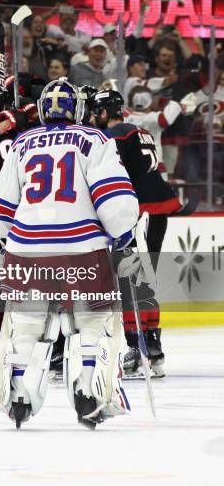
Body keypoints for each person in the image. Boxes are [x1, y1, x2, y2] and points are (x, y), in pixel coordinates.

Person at [0, 79, 138, 429]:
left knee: (26, 325)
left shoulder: (22, 143)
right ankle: (89, 390)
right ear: (79, 110)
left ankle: (19, 393)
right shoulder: (96, 139)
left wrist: (10, 238)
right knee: (92, 323)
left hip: (26, 249)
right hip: (82, 248)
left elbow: (0, 211)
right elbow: (112, 199)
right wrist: (124, 232)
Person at [89, 89, 183, 378]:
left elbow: (112, 174)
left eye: (96, 113)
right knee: (144, 278)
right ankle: (152, 346)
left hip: (139, 210)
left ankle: (137, 345)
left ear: (105, 112)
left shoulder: (115, 135)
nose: (93, 118)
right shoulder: (138, 130)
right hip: (158, 209)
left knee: (131, 279)